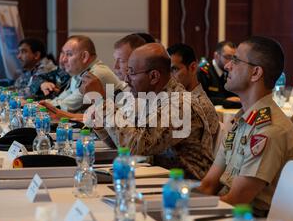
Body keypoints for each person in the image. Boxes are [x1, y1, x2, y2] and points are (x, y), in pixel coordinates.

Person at [198, 36, 293, 217]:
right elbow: (208, 184)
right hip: (223, 213)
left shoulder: (269, 130)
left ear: (255, 73)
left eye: (236, 60)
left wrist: (186, 207)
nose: (228, 66)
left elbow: (236, 201)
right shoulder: (241, 121)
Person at [81, 43, 214, 180]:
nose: (126, 80)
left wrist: (102, 102)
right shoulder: (149, 99)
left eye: (131, 73)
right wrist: (101, 125)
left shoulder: (179, 104)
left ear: (154, 76)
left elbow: (135, 147)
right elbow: (123, 143)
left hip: (187, 191)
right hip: (158, 180)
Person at [42, 35, 122, 113]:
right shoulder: (79, 72)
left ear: (84, 57)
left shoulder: (97, 74)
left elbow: (67, 107)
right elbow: (61, 99)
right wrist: (40, 104)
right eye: (63, 53)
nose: (63, 59)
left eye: (69, 54)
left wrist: (40, 106)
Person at [167, 43, 220, 154]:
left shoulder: (201, 105)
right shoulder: (172, 99)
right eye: (168, 71)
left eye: (174, 69)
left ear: (193, 67)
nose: (170, 77)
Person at [197, 40, 240, 107]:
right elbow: (199, 99)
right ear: (216, 56)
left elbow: (235, 95)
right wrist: (225, 101)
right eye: (228, 57)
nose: (231, 62)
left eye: (234, 58)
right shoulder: (203, 72)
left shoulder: (231, 71)